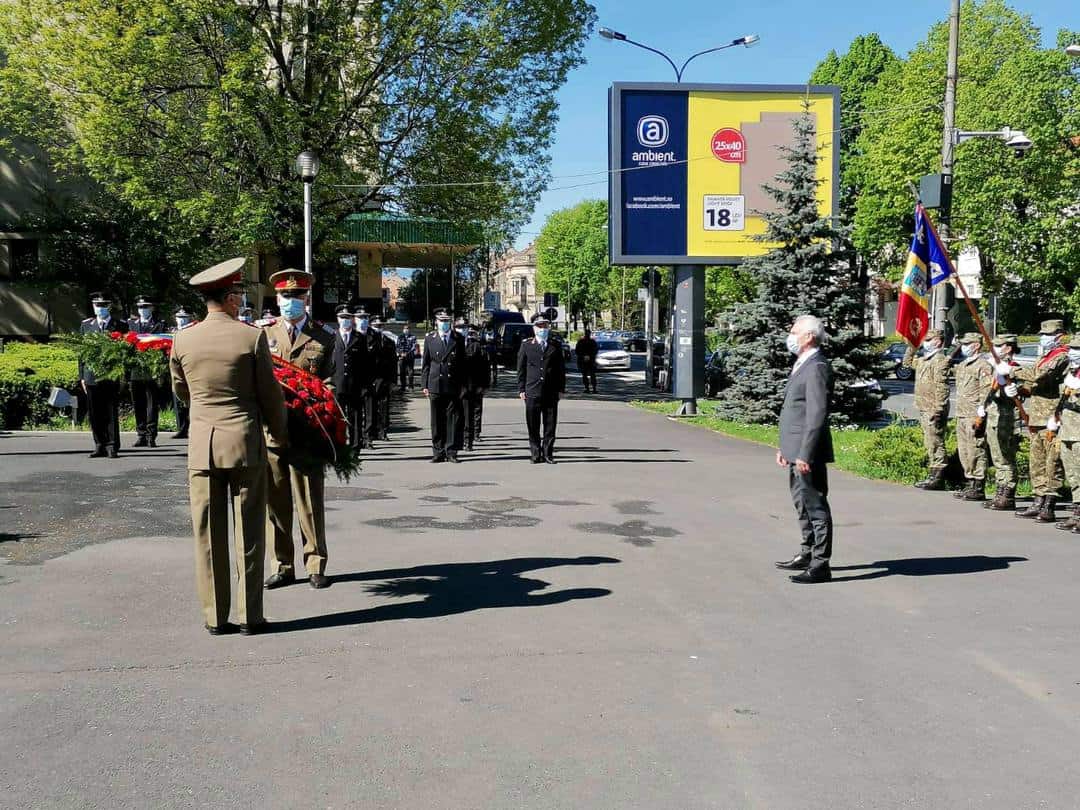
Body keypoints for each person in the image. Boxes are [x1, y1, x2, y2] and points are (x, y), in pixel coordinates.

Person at [169, 257, 287, 635]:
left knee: (208, 534)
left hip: (203, 445)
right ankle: (250, 616)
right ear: (232, 298)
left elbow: (180, 390)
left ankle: (215, 617)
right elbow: (270, 396)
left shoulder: (182, 339)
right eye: (237, 293)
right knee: (250, 532)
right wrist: (279, 433)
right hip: (245, 443)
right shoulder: (250, 337)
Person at [262, 269, 336, 590]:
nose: (289, 302)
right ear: (276, 300)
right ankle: (283, 564)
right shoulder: (263, 336)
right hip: (273, 431)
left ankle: (316, 562)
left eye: (296, 297)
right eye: (284, 297)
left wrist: (315, 405)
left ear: (306, 300)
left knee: (309, 500)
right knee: (276, 500)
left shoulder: (325, 337)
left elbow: (332, 382)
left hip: (306, 430)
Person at [774, 315, 835, 584]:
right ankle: (807, 551)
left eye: (794, 331)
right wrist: (785, 448)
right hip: (794, 450)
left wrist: (805, 453)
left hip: (807, 453)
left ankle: (821, 564)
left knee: (816, 506)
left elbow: (816, 413)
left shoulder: (817, 366)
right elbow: (794, 411)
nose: (790, 335)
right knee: (802, 505)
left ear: (809, 336)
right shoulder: (803, 363)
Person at [1011, 319, 1069, 522]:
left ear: (1060, 335)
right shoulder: (1044, 357)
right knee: (1036, 461)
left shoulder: (1062, 356)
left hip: (1051, 417)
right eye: (1042, 334)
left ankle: (1050, 504)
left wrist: (1012, 370)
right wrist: (1018, 388)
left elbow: (1040, 376)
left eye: (1048, 334)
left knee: (1052, 462)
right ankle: (1038, 499)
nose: (1044, 338)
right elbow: (1031, 384)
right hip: (1036, 416)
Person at [80, 292, 128, 458]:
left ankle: (111, 445)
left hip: (111, 375)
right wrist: (81, 377)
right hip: (91, 376)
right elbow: (82, 353)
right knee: (95, 412)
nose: (99, 308)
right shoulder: (86, 325)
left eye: (103, 305)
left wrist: (123, 375)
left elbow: (126, 353)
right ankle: (99, 444)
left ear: (109, 307)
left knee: (110, 412)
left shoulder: (120, 325)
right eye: (96, 305)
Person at [904, 329, 952, 490]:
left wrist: (939, 409)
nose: (926, 343)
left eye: (929, 340)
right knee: (929, 441)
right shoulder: (925, 360)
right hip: (924, 406)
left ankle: (938, 476)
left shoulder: (939, 361)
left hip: (933, 408)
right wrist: (912, 346)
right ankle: (933, 473)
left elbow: (941, 387)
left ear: (938, 342)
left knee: (936, 441)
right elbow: (907, 363)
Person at [517, 312, 566, 464]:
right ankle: (535, 453)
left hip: (551, 391)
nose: (543, 328)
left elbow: (561, 369)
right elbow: (521, 369)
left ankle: (548, 453)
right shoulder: (526, 345)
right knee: (533, 424)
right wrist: (521, 389)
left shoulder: (555, 346)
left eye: (545, 325)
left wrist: (561, 389)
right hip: (532, 391)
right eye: (540, 326)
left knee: (550, 425)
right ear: (534, 328)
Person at [980, 334, 1021, 511]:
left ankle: (1008, 494)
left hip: (1007, 418)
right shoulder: (998, 369)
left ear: (1009, 348)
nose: (995, 348)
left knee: (1006, 458)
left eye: (999, 345)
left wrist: (1016, 389)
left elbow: (1022, 392)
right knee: (997, 458)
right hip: (994, 416)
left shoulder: (1013, 368)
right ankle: (1000, 491)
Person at [421, 308, 465, 463]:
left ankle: (451, 451)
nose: (444, 323)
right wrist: (424, 384)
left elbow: (462, 363)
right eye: (441, 321)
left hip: (453, 384)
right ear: (436, 322)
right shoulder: (430, 339)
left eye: (447, 321)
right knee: (436, 419)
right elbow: (426, 363)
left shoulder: (458, 338)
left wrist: (463, 385)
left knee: (452, 419)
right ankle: (438, 451)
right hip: (435, 383)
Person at [953, 332, 993, 502]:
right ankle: (969, 481)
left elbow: (986, 392)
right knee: (964, 451)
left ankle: (978, 485)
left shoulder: (983, 365)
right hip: (961, 413)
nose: (963, 347)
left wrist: (981, 414)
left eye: (967, 344)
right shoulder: (963, 365)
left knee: (976, 450)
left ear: (976, 345)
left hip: (974, 415)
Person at [127, 295, 166, 448]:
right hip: (135, 369)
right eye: (140, 307)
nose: (142, 310)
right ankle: (141, 434)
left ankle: (151, 435)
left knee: (151, 403)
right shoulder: (130, 324)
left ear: (152, 308)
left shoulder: (159, 325)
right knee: (138, 403)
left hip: (152, 369)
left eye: (146, 307)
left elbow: (164, 345)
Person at [1050, 337, 1080, 532]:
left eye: (1077, 349)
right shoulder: (1071, 372)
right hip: (1068, 430)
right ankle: (1077, 512)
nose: (1072, 352)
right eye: (1071, 348)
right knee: (1073, 476)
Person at [331, 303, 366, 450]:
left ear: (352, 319)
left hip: (355, 384)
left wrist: (365, 384)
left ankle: (356, 445)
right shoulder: (332, 336)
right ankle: (339, 446)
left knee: (355, 417)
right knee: (337, 417)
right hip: (337, 383)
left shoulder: (359, 337)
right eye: (342, 317)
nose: (345, 320)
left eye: (348, 317)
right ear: (338, 319)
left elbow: (366, 363)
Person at [461, 323, 491, 450]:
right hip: (471, 385)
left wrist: (484, 385)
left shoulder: (478, 348)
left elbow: (485, 368)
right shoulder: (460, 346)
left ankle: (471, 436)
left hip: (472, 384)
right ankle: (471, 436)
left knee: (470, 412)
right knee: (472, 411)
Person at [171, 307, 197, 439]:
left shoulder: (193, 332)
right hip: (176, 369)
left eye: (184, 317)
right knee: (178, 398)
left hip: (190, 369)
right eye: (179, 317)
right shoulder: (171, 332)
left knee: (191, 398)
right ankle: (181, 426)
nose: (181, 320)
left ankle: (191, 425)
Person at [370, 315, 397, 441]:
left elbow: (393, 363)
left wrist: (393, 381)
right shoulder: (366, 340)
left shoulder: (389, 342)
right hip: (371, 379)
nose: (378, 328)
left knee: (384, 406)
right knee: (370, 407)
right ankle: (371, 432)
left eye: (380, 326)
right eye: (376, 326)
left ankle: (383, 431)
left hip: (385, 379)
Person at [575, 329, 599, 394]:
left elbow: (577, 351)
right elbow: (595, 350)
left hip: (584, 360)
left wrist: (584, 356)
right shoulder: (592, 341)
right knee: (591, 375)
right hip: (589, 360)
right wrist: (589, 356)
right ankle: (593, 388)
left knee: (585, 375)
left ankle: (587, 388)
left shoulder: (581, 341)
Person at [396, 323, 417, 389]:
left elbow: (413, 347)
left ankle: (410, 386)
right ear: (403, 330)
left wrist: (407, 353)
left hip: (410, 356)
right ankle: (403, 386)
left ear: (409, 330)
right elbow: (397, 346)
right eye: (405, 329)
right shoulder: (400, 337)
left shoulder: (413, 337)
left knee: (410, 372)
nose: (406, 330)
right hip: (401, 357)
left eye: (407, 328)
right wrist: (400, 353)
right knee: (402, 372)